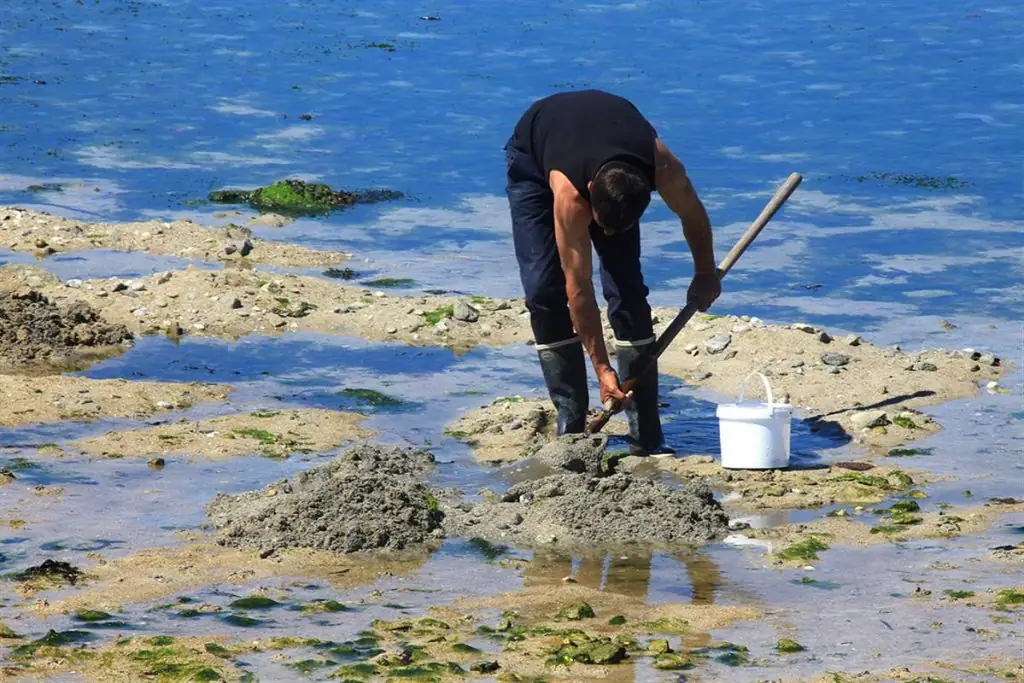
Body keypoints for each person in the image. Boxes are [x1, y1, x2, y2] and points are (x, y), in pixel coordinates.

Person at [504, 89, 720, 456]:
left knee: (628, 291)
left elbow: (693, 216)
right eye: (600, 225)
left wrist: (704, 272)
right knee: (544, 290)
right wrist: (602, 368)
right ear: (590, 195)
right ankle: (571, 426)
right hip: (535, 155)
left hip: (609, 142)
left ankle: (646, 432)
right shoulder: (570, 197)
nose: (603, 235)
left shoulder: (663, 169)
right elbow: (579, 289)